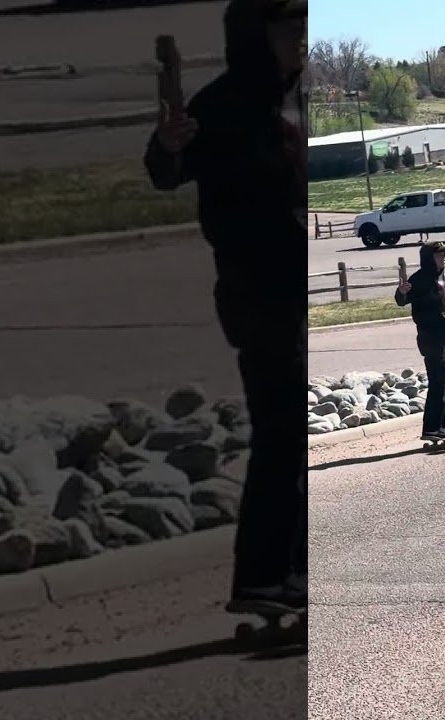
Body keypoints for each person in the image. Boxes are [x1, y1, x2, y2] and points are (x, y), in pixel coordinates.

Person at [143, 0, 305, 610]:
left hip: (296, 287)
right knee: (281, 433)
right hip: (257, 291)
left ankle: (290, 572)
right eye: (291, 27)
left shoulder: (297, 99)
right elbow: (168, 170)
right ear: (255, 35)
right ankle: (266, 576)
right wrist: (166, 147)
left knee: (294, 435)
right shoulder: (225, 105)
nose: (302, 37)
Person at [395, 241, 445, 440]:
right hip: (430, 336)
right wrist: (401, 293)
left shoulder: (438, 277)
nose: (443, 258)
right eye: (439, 255)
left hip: (444, 335)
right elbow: (402, 300)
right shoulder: (420, 279)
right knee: (438, 381)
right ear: (429, 259)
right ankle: (431, 428)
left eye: (443, 255)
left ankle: (442, 425)